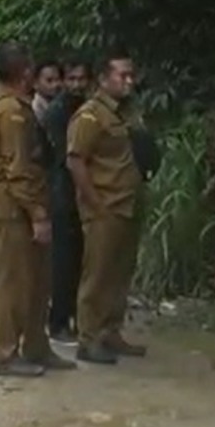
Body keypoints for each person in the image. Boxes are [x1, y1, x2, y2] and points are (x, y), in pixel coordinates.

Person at [0, 43, 75, 377]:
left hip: (23, 204)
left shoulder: (15, 106)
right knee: (13, 284)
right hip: (12, 208)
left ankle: (36, 345)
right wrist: (37, 213)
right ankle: (6, 353)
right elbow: (18, 168)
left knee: (38, 281)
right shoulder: (11, 112)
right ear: (25, 74)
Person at [67, 55, 149, 364]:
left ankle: (110, 331)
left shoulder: (124, 114)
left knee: (120, 272)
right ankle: (88, 338)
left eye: (131, 75)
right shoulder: (90, 116)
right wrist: (94, 202)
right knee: (98, 274)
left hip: (128, 204)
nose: (129, 81)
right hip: (106, 206)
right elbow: (76, 161)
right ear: (103, 79)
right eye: (122, 75)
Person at [42, 58, 91, 343]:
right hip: (63, 193)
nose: (75, 85)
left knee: (77, 261)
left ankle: (71, 317)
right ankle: (59, 321)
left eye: (80, 79)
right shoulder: (59, 113)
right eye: (71, 79)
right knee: (63, 262)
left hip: (74, 192)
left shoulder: (83, 110)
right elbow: (65, 157)